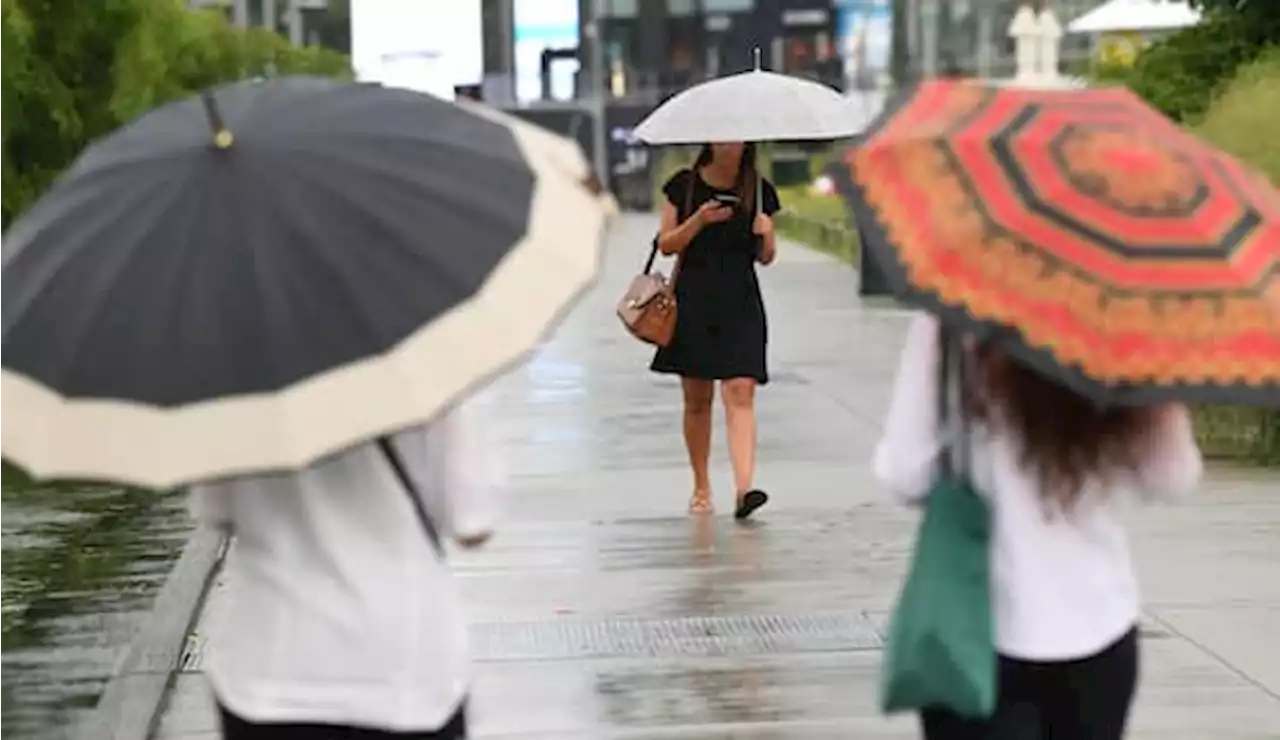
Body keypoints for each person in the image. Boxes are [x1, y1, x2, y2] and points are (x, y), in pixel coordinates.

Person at [874, 313, 1203, 740]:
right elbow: (1172, 477)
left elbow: (905, 474)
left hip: (974, 634)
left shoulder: (949, 317)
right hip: (1098, 627)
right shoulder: (1115, 318)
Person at [188, 400, 501, 740]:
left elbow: (218, 510)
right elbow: (472, 522)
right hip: (401, 670)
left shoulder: (230, 383)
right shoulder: (424, 372)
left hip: (270, 673)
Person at [651, 142, 781, 519]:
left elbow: (766, 257)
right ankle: (701, 487)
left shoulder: (757, 189)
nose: (730, 144)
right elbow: (666, 244)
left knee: (741, 390)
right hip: (693, 301)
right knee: (697, 399)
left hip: (740, 301)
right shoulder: (684, 186)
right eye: (723, 136)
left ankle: (744, 488)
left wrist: (767, 232)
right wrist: (700, 221)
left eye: (737, 137)